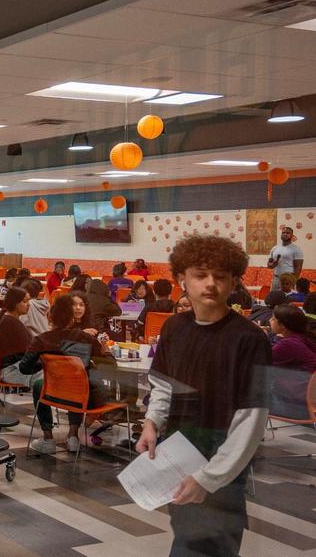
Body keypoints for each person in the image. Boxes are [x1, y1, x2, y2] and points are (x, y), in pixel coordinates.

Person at [137, 234, 270, 557]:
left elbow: (250, 419)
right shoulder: (174, 327)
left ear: (234, 281)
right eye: (200, 274)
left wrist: (210, 478)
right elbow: (164, 385)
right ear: (181, 278)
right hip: (177, 451)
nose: (211, 283)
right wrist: (152, 422)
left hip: (221, 460)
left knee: (207, 549)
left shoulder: (249, 339)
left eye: (221, 276)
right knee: (186, 536)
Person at [19, 295, 109, 454]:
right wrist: (106, 351)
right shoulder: (85, 337)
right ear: (72, 319)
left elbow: (24, 368)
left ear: (50, 318)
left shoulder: (41, 340)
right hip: (82, 394)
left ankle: (47, 437)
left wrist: (45, 363)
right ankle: (73, 436)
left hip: (53, 391)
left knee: (39, 385)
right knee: (77, 382)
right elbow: (107, 364)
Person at [266, 304, 316, 420]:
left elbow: (259, 362)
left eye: (273, 318)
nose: (269, 320)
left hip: (297, 405)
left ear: (283, 325)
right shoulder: (304, 338)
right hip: (309, 402)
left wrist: (259, 336)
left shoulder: (288, 345)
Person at [0, 287, 34, 385]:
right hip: (11, 372)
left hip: (14, 367)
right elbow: (31, 348)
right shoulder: (10, 322)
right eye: (25, 301)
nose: (29, 304)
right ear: (15, 303)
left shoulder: (9, 318)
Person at [268, 226, 304, 291]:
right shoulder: (275, 248)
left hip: (289, 280)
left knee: (288, 300)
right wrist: (273, 264)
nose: (285, 234)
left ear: (292, 235)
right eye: (283, 232)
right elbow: (269, 265)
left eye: (288, 233)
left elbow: (298, 268)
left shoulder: (296, 249)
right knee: (274, 299)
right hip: (276, 279)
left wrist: (293, 282)